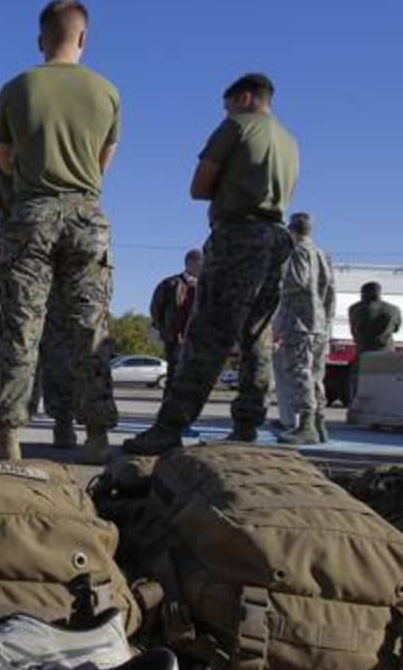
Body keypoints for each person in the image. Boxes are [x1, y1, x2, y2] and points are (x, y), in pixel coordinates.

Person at [0, 0, 122, 463]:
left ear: (41, 39)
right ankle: (96, 435)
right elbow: (104, 160)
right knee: (89, 327)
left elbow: (4, 158)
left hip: (31, 214)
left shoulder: (16, 88)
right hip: (87, 215)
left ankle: (7, 433)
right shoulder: (107, 92)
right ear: (83, 37)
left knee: (20, 326)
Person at [124, 72, 299, 456]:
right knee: (257, 336)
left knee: (208, 333)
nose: (227, 111)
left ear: (245, 98)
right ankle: (247, 426)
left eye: (229, 104)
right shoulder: (289, 141)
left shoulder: (238, 125)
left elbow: (199, 186)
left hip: (238, 236)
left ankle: (170, 427)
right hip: (276, 237)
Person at [0, 151, 79, 448]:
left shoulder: (3, 150)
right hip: (68, 238)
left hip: (16, 240)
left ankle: (4, 427)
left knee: (10, 334)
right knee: (59, 338)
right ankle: (64, 425)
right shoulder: (71, 143)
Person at [272, 213, 335, 445]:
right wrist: (326, 321)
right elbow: (330, 291)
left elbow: (297, 281)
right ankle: (319, 423)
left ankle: (307, 425)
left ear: (291, 229)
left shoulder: (297, 251)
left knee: (299, 372)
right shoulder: (322, 254)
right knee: (316, 375)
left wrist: (274, 281)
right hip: (318, 323)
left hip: (298, 322)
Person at [149, 249, 201, 397]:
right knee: (175, 375)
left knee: (194, 378)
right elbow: (155, 310)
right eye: (201, 264)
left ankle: (187, 407)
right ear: (190, 263)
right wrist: (165, 331)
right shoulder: (170, 284)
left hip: (198, 339)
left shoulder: (206, 285)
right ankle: (169, 407)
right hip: (177, 338)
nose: (204, 267)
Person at [347, 282, 401, 397]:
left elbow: (353, 329)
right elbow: (396, 329)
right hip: (386, 352)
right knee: (386, 387)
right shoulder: (393, 309)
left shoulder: (354, 308)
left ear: (363, 293)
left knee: (359, 388)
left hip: (363, 352)